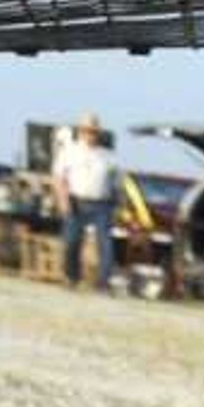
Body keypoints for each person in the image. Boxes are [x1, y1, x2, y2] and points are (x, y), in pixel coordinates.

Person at [52, 113, 121, 291]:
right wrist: (63, 200)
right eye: (86, 130)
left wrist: (118, 205)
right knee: (72, 241)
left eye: (93, 131)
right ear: (80, 131)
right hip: (76, 201)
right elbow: (59, 178)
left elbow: (116, 183)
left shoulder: (108, 156)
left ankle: (104, 283)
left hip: (102, 204)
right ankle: (71, 276)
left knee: (105, 244)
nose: (89, 134)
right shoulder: (69, 152)